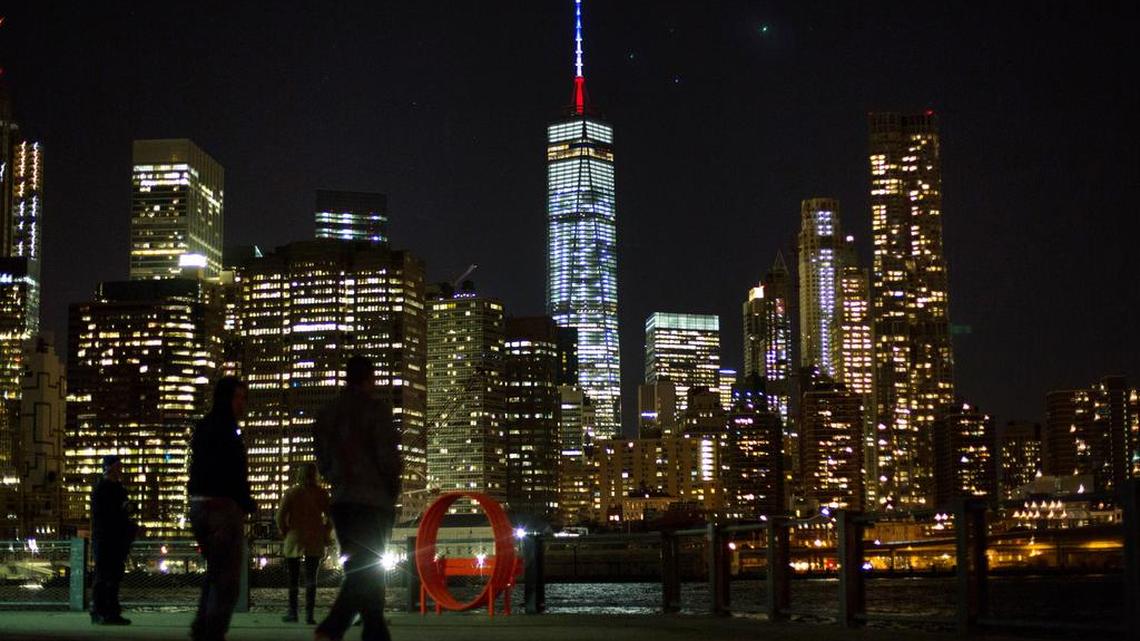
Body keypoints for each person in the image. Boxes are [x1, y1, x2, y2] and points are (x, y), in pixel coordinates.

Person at [313, 355, 402, 641]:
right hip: (372, 502)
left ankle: (375, 633)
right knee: (365, 573)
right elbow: (388, 460)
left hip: (341, 502)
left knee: (362, 571)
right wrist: (391, 493)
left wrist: (336, 477)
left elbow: (323, 461)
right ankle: (331, 628)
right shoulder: (376, 411)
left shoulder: (327, 412)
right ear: (369, 379)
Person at [187, 377, 256, 641]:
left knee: (215, 573)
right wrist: (246, 501)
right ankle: (212, 632)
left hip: (199, 506)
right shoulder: (228, 430)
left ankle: (202, 627)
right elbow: (233, 471)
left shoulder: (203, 426)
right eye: (239, 397)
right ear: (227, 398)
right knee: (227, 581)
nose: (243, 403)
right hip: (222, 508)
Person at [276, 462, 332, 624]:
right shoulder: (322, 494)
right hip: (315, 539)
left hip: (294, 538)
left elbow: (280, 516)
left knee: (293, 579)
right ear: (315, 475)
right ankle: (309, 615)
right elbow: (330, 517)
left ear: (299, 475)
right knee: (311, 579)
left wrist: (285, 530)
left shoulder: (292, 493)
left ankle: (293, 613)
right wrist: (325, 532)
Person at [90, 454, 138, 625]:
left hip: (116, 538)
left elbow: (126, 508)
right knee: (104, 576)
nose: (120, 470)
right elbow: (104, 513)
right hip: (106, 538)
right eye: (118, 467)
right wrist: (124, 510)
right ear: (109, 468)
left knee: (114, 576)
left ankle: (111, 612)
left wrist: (129, 508)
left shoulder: (117, 488)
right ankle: (101, 611)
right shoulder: (102, 488)